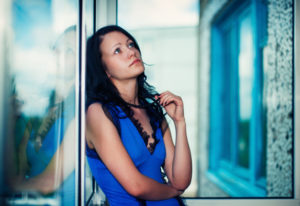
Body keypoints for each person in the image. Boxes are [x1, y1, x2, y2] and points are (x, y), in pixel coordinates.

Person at [85, 25, 192, 206]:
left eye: (131, 44)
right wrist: (174, 191)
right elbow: (136, 186)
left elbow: (180, 180)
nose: (131, 52)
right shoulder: (97, 113)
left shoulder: (153, 111)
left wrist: (180, 123)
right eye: (117, 50)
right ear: (104, 70)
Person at [6, 26, 77, 205]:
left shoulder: (79, 108)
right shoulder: (57, 108)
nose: (58, 53)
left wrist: (8, 187)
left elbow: (50, 180)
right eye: (57, 47)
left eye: (69, 50)